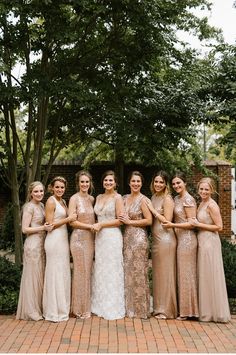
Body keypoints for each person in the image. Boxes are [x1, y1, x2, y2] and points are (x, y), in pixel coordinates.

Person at [189, 177, 231, 323]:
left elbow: (219, 227)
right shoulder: (202, 203)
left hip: (210, 242)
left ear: (211, 190)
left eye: (206, 189)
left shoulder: (212, 205)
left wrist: (198, 224)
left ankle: (214, 312)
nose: (203, 191)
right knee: (204, 275)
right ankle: (206, 311)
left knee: (210, 274)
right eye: (201, 189)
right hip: (202, 241)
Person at [162, 171, 199, 320]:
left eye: (179, 182)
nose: (176, 185)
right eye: (174, 183)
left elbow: (192, 224)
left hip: (188, 240)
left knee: (186, 275)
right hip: (179, 240)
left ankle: (188, 311)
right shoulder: (177, 198)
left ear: (185, 183)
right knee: (182, 274)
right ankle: (184, 309)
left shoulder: (188, 199)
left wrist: (172, 224)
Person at [91, 170, 125, 320]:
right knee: (101, 269)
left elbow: (120, 220)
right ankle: (100, 304)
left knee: (112, 269)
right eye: (106, 180)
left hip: (112, 237)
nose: (108, 183)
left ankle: (112, 305)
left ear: (115, 182)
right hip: (100, 238)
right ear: (103, 182)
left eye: (111, 180)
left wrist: (102, 224)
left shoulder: (118, 198)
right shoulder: (98, 197)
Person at [16, 181, 53, 320]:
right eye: (36, 191)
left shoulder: (42, 205)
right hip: (32, 245)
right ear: (30, 193)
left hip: (42, 244)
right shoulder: (29, 207)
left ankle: (39, 307)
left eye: (41, 191)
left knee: (40, 276)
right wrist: (43, 228)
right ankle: (31, 311)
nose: (39, 194)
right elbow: (25, 229)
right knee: (32, 277)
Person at [119, 171, 152, 319]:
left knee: (139, 271)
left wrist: (130, 222)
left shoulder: (144, 200)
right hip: (127, 238)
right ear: (129, 183)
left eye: (138, 181)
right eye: (133, 181)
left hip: (139, 238)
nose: (136, 184)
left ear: (142, 183)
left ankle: (140, 309)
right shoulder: (124, 198)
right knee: (128, 271)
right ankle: (129, 308)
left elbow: (149, 220)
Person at [43, 176, 76, 322]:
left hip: (62, 239)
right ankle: (53, 310)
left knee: (62, 272)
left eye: (62, 187)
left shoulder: (62, 201)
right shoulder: (51, 201)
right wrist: (68, 220)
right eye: (57, 187)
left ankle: (62, 307)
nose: (60, 189)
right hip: (54, 239)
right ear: (51, 187)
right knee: (55, 272)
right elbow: (49, 224)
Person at [146, 171, 177, 320]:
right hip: (156, 240)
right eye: (156, 181)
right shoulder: (153, 197)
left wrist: (153, 211)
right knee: (158, 275)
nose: (158, 184)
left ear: (166, 184)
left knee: (166, 274)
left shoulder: (167, 199)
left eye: (161, 182)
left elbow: (167, 222)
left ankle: (167, 310)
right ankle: (158, 307)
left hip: (166, 239)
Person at [69, 170, 95, 319]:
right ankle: (78, 308)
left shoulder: (91, 199)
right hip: (78, 239)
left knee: (87, 271)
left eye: (87, 182)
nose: (84, 184)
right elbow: (72, 222)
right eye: (82, 182)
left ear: (90, 183)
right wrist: (89, 227)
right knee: (80, 272)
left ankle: (86, 306)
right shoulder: (74, 199)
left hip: (90, 240)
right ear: (78, 183)